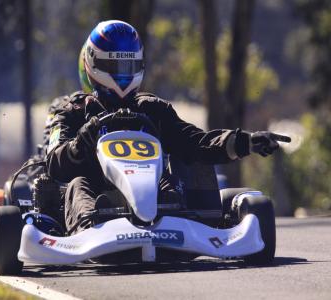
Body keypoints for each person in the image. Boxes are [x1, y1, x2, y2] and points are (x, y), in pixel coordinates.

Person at [46, 20, 285, 234]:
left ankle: (170, 216)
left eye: (128, 68)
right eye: (114, 67)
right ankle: (92, 230)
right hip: (95, 192)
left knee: (169, 180)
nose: (122, 76)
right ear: (94, 63)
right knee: (78, 185)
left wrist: (245, 141)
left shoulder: (153, 109)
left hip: (151, 187)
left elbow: (195, 142)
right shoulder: (72, 113)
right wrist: (80, 144)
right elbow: (53, 165)